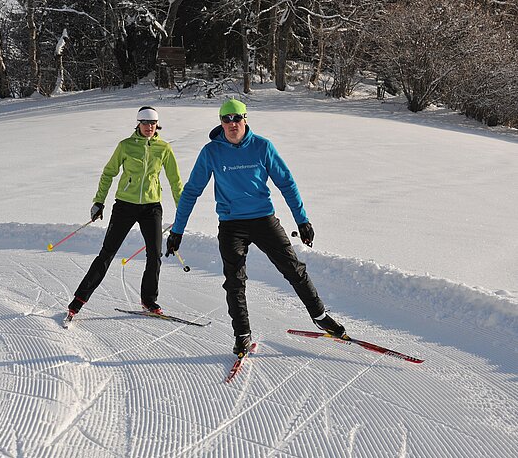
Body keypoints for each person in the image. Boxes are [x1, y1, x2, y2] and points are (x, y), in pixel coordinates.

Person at [165, 99, 347, 355]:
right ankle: (242, 334)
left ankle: (320, 316)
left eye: (236, 118)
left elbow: (286, 183)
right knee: (235, 281)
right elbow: (192, 191)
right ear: (220, 122)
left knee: (294, 269)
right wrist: (177, 230)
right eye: (226, 119)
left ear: (245, 119)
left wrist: (302, 220)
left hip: (263, 219)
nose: (232, 124)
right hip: (231, 223)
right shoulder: (212, 152)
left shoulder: (262, 147)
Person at [65, 106, 184, 325]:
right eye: (145, 124)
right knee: (107, 253)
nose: (149, 128)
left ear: (157, 125)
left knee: (154, 255)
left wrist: (182, 210)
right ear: (138, 124)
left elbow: (175, 180)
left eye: (153, 124)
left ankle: (149, 301)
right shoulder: (125, 146)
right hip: (124, 206)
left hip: (151, 207)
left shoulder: (164, 148)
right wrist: (99, 201)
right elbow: (108, 173)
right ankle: (78, 301)